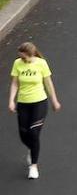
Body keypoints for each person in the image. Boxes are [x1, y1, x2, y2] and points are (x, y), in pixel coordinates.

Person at [9, 42, 61, 180]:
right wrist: (11, 100)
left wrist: (54, 100)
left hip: (39, 102)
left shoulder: (41, 64)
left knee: (33, 131)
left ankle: (33, 165)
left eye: (24, 57)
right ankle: (32, 149)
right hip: (23, 103)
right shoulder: (17, 63)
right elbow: (15, 83)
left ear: (31, 55)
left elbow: (48, 83)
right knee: (23, 134)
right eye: (20, 57)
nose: (22, 60)